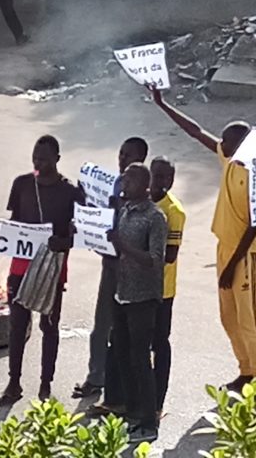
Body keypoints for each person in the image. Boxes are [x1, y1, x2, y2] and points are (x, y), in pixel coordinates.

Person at [149, 87, 256, 391]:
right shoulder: (228, 159)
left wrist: (232, 265)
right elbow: (196, 131)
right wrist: (163, 105)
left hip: (247, 253)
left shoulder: (253, 173)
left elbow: (255, 226)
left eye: (226, 141)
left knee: (247, 318)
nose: (220, 144)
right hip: (224, 247)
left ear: (239, 144)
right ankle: (245, 369)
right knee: (228, 317)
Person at [0, 135, 85, 405]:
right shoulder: (22, 184)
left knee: (49, 325)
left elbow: (79, 236)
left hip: (52, 270)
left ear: (57, 159)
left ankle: (45, 384)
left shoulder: (71, 192)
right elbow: (14, 223)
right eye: (35, 158)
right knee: (17, 325)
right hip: (20, 265)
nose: (38, 163)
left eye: (43, 158)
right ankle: (14, 382)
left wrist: (62, 242)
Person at [72, 137, 149, 402]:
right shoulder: (113, 184)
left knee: (127, 331)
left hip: (131, 271)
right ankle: (95, 378)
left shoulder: (145, 199)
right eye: (121, 153)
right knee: (101, 325)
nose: (122, 159)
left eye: (129, 156)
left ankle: (124, 388)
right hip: (110, 263)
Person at [108, 163, 167, 445]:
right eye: (124, 179)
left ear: (145, 185)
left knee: (141, 359)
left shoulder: (155, 217)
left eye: (129, 180)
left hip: (143, 298)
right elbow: (115, 249)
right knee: (123, 354)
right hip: (121, 293)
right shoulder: (125, 210)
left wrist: (123, 246)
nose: (124, 184)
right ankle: (132, 413)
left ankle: (148, 421)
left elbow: (155, 260)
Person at [150, 156, 186, 416]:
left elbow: (170, 255)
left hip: (162, 289)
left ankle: (157, 402)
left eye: (166, 177)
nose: (161, 181)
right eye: (157, 175)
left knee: (160, 343)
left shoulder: (174, 211)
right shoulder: (139, 201)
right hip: (136, 288)